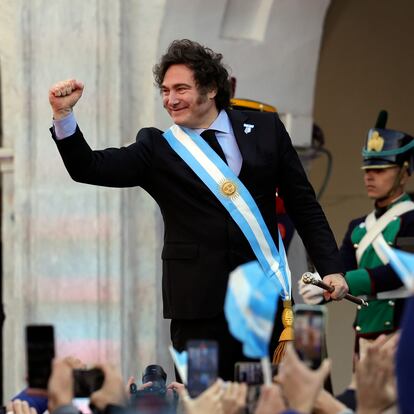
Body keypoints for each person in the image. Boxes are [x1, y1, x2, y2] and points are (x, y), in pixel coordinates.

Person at [48, 39, 347, 380]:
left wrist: (330, 268)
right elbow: (88, 167)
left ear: (211, 88)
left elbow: (303, 204)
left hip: (264, 303)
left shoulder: (265, 130)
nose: (170, 100)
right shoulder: (157, 148)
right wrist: (63, 115)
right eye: (165, 90)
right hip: (198, 311)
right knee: (203, 402)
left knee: (267, 400)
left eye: (181, 89)